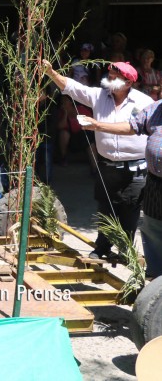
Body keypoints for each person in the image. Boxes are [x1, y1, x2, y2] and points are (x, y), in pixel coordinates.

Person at [42, 59, 153, 259]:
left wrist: (97, 125)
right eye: (109, 75)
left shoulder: (144, 103)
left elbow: (141, 129)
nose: (109, 79)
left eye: (115, 77)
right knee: (105, 206)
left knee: (130, 209)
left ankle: (126, 250)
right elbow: (73, 87)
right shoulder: (100, 95)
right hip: (107, 165)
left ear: (128, 83)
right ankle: (102, 247)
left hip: (135, 167)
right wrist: (51, 73)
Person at [78, 99, 162, 279]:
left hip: (136, 170)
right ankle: (156, 282)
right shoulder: (155, 108)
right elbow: (132, 126)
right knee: (152, 228)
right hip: (155, 182)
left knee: (131, 213)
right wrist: (97, 125)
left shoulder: (142, 98)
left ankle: (128, 252)